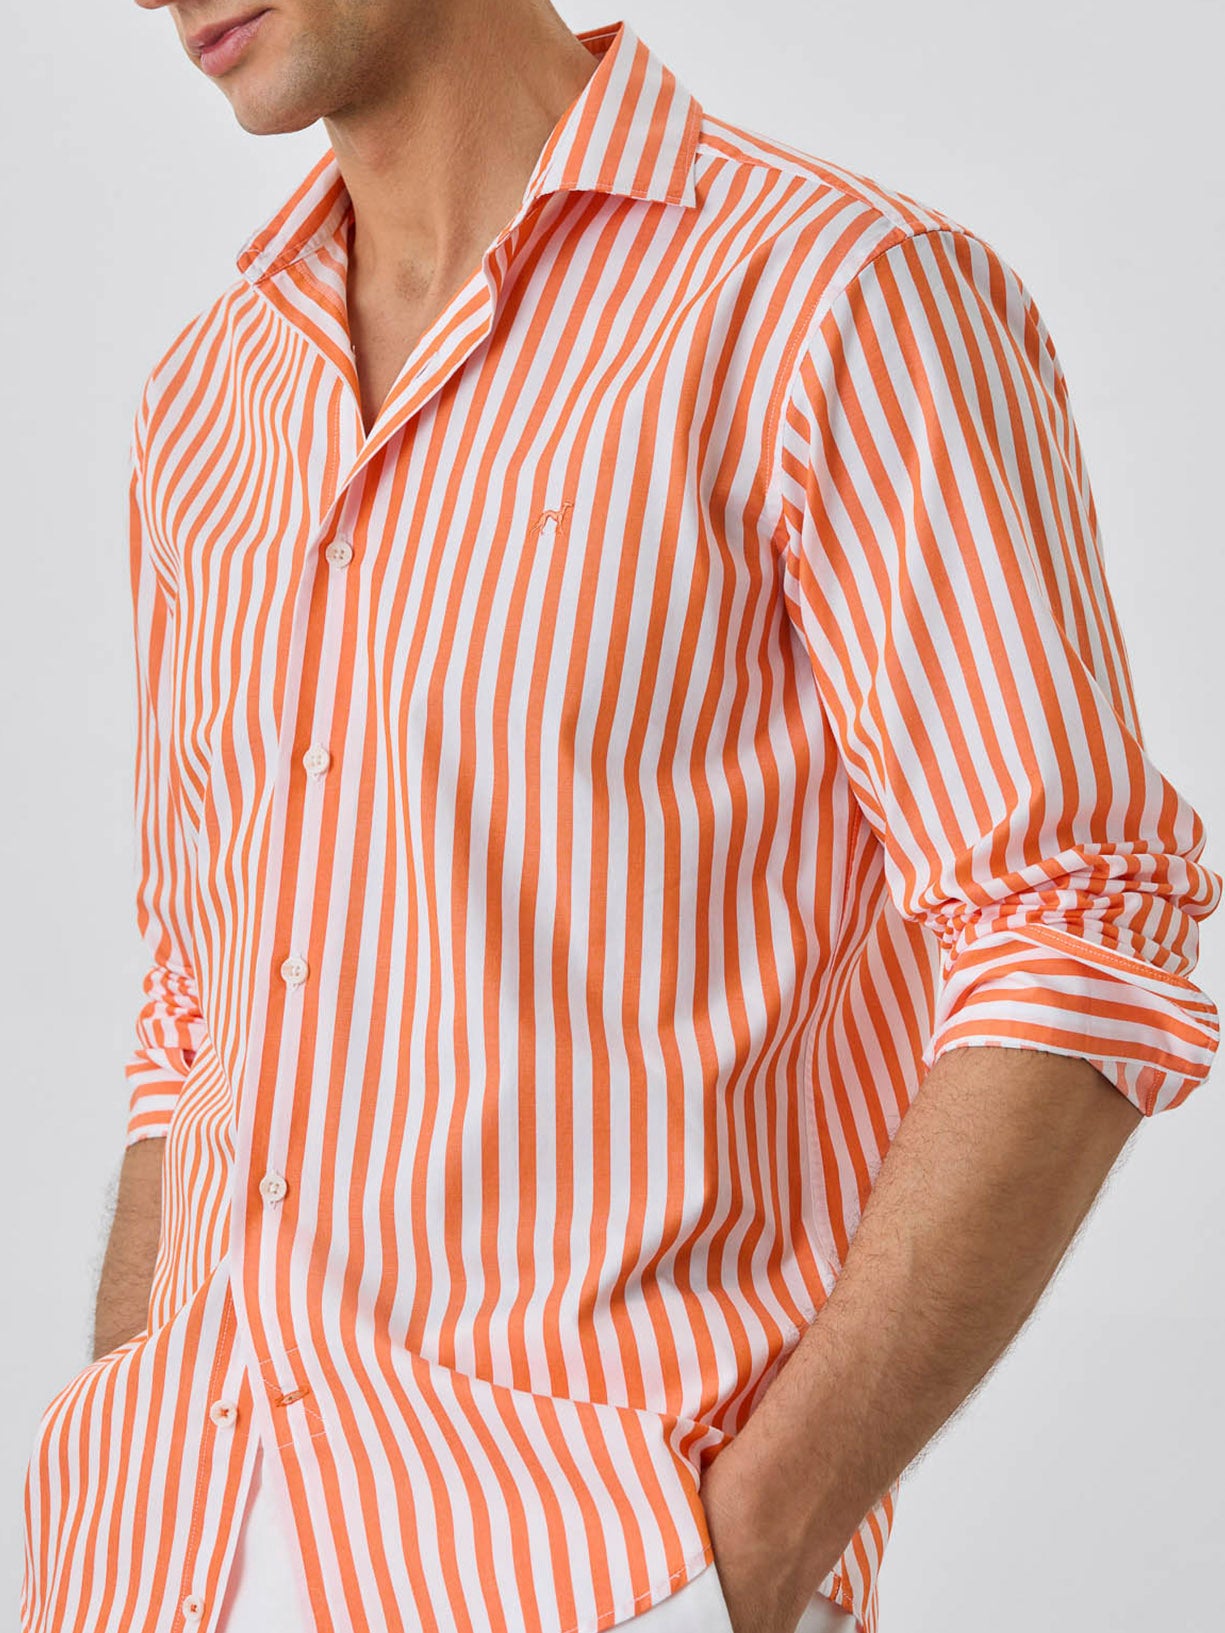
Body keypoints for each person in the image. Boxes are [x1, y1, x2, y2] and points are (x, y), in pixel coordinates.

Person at [21, 3, 1221, 1632]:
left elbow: (1073, 925)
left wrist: (755, 1540)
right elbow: (197, 1005)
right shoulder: (209, 404)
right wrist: (126, 1414)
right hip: (152, 1560)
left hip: (586, 1563)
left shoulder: (830, 295)